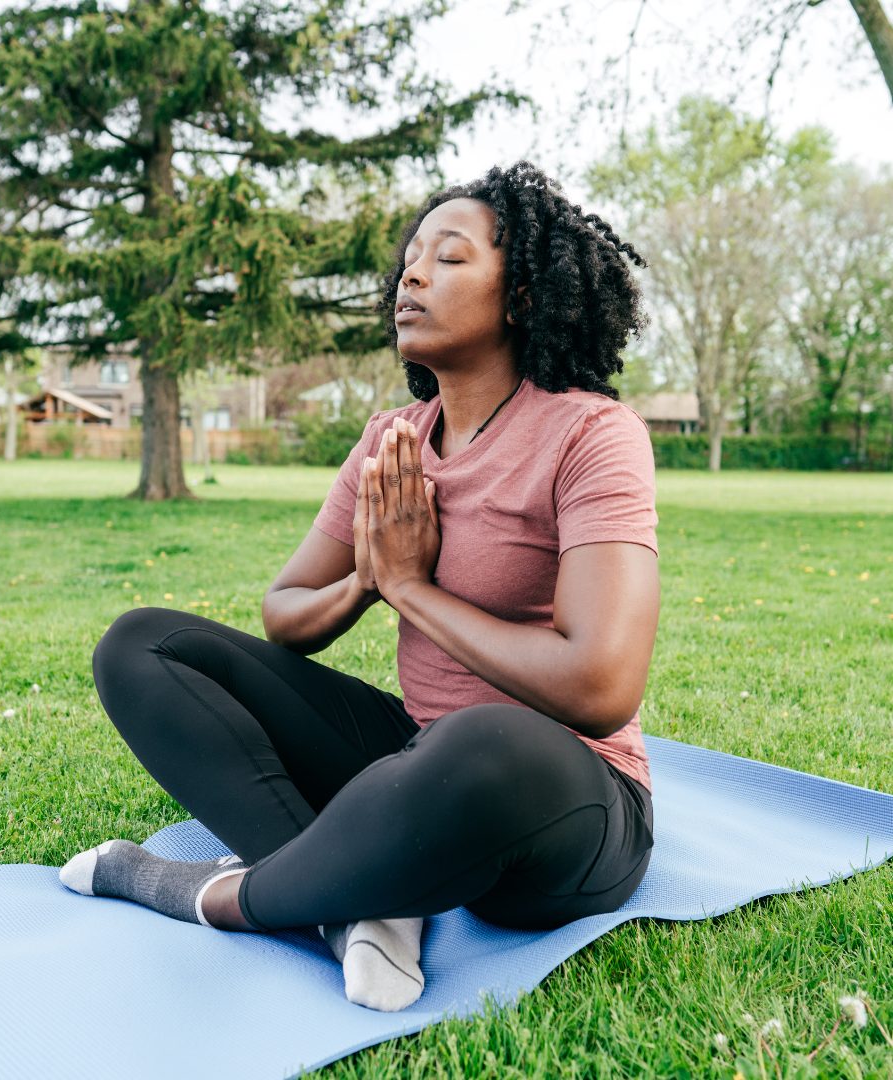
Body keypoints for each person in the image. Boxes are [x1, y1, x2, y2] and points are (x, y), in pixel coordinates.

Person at [60, 161, 661, 1013]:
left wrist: (414, 590)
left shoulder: (591, 434)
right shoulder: (394, 440)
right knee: (143, 645)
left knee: (484, 739)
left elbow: (601, 687)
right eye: (410, 258)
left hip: (558, 799)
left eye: (449, 259)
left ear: (523, 295)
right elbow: (286, 614)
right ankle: (361, 903)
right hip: (415, 760)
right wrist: (366, 585)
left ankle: (208, 893)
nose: (411, 275)